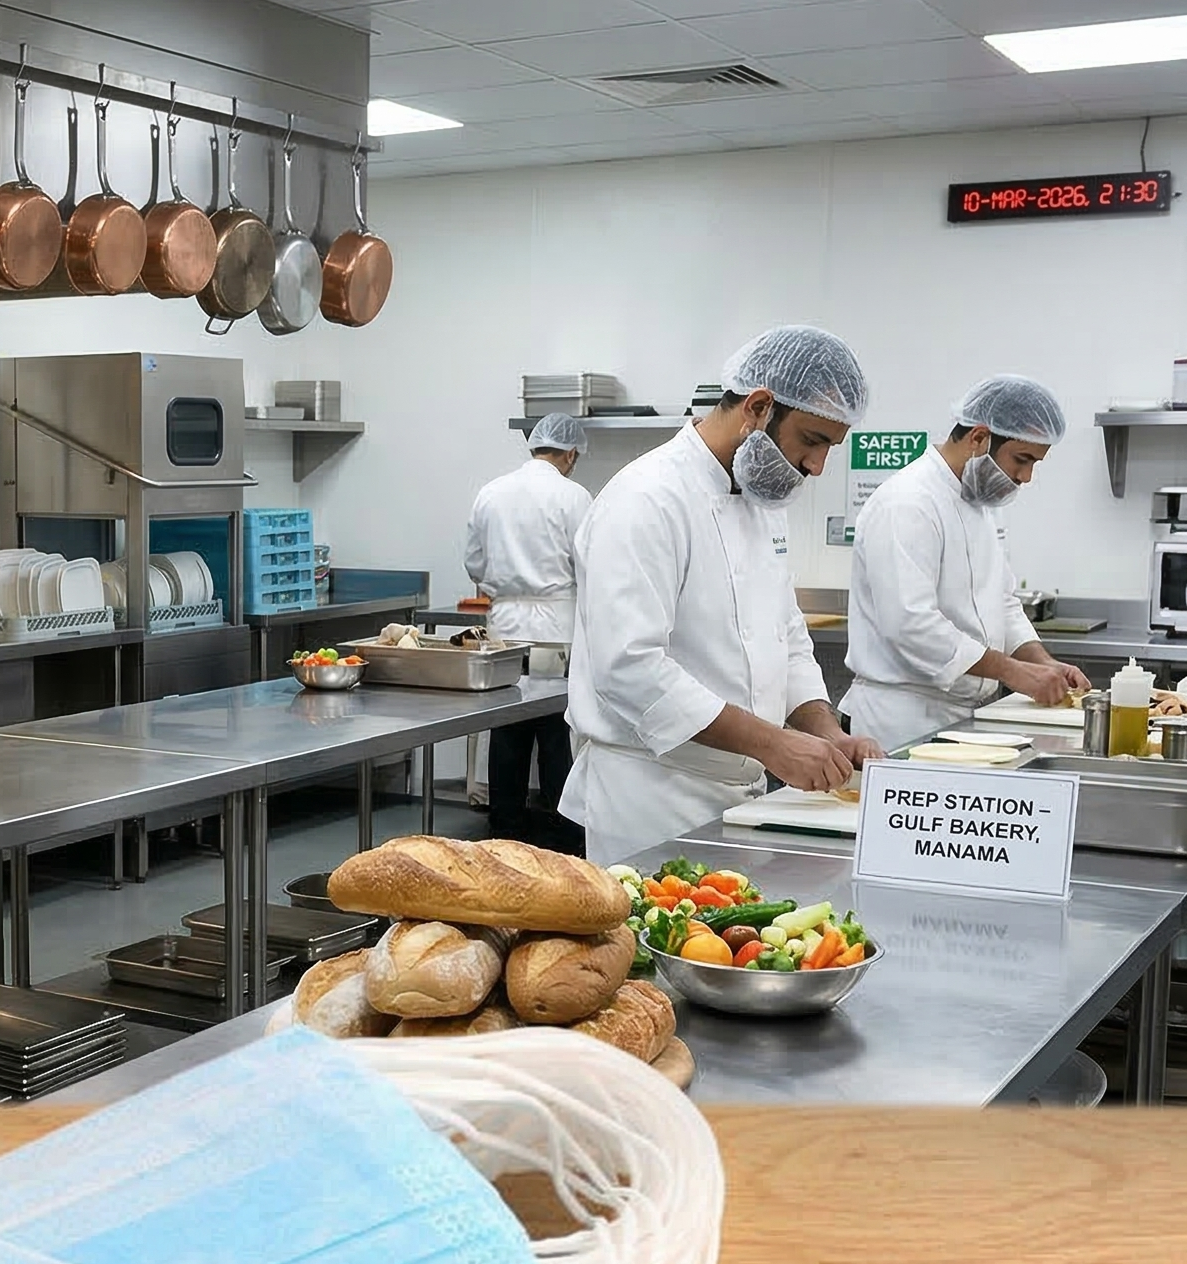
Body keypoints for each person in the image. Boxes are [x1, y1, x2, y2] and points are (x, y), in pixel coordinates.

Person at [561, 325, 886, 867]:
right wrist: (773, 743)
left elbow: (785, 637)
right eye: (812, 441)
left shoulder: (762, 505)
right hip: (651, 798)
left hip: (741, 793)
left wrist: (826, 733)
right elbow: (629, 667)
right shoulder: (647, 499)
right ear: (758, 407)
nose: (817, 466)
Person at [843, 376, 1088, 755]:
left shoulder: (981, 504)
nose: (1025, 477)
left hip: (962, 717)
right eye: (1022, 460)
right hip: (900, 718)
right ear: (979, 438)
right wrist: (1013, 672)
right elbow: (911, 624)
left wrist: (1043, 663)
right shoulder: (907, 503)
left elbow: (1002, 603)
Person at [463, 413, 589, 851]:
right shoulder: (574, 497)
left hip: (504, 628)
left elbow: (474, 563)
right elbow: (590, 563)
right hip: (558, 627)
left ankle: (503, 836)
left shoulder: (491, 493)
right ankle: (564, 841)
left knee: (507, 732)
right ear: (569, 454)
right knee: (557, 734)